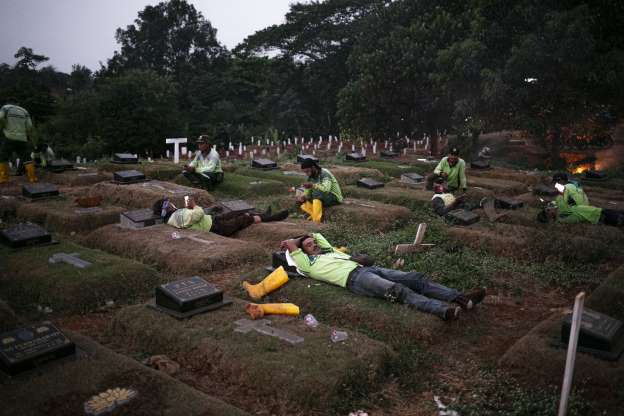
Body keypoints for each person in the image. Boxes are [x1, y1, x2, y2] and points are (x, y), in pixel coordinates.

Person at [280, 233, 486, 320]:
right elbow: (290, 243)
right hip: (356, 279)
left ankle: (461, 298)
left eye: (312, 243)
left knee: (415, 279)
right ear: (302, 253)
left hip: (369, 269)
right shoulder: (308, 264)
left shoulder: (329, 251)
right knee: (399, 291)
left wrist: (308, 238)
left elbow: (317, 235)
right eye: (308, 245)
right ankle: (444, 311)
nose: (313, 244)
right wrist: (298, 243)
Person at [153, 196, 289, 237]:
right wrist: (194, 205)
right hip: (214, 228)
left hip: (211, 221)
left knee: (234, 213)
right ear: (167, 208)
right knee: (244, 218)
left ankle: (265, 215)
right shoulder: (176, 217)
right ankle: (273, 218)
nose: (172, 203)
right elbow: (197, 214)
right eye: (169, 203)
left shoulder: (175, 216)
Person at [538, 172, 624, 225]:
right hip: (584, 207)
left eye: (556, 182)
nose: (555, 185)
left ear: (560, 181)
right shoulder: (573, 185)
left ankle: (617, 217)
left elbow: (566, 200)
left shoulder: (566, 189)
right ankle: (617, 215)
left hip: (581, 209)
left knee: (603, 214)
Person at [0, 102, 38, 183]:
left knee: (3, 158)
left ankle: (3, 179)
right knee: (27, 158)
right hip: (22, 139)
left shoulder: (5, 108)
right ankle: (32, 178)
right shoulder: (24, 111)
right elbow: (30, 126)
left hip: (9, 137)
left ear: (8, 102)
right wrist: (26, 135)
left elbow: (0, 118)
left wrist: (2, 127)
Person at [297, 159, 343, 223]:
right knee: (303, 200)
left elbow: (326, 189)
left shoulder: (324, 173)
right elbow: (308, 191)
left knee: (317, 193)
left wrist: (313, 185)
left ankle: (316, 221)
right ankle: (313, 215)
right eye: (305, 172)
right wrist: (303, 196)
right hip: (322, 197)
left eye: (307, 171)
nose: (306, 174)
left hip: (333, 196)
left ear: (313, 168)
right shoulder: (311, 177)